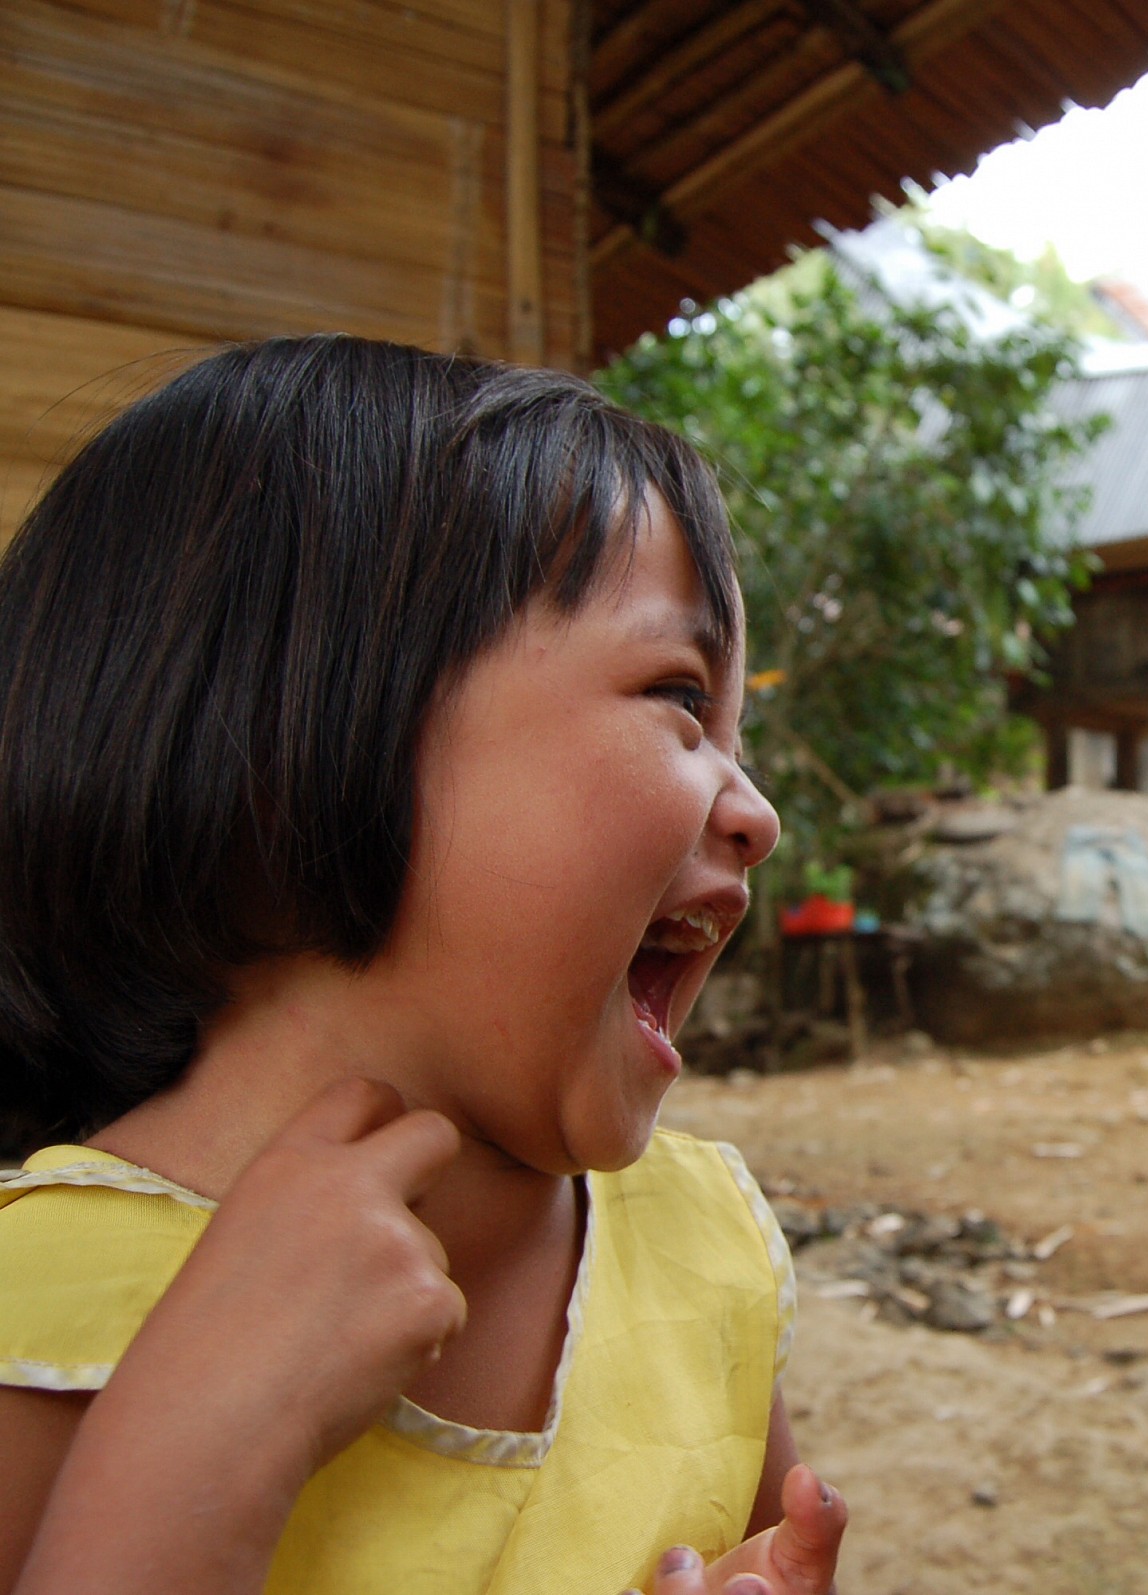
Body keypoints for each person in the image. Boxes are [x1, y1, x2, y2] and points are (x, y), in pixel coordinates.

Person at [0, 336, 848, 1595]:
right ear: (293, 752)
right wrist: (196, 1447)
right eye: (681, 698)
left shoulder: (702, 1250)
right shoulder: (44, 1315)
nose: (757, 813)